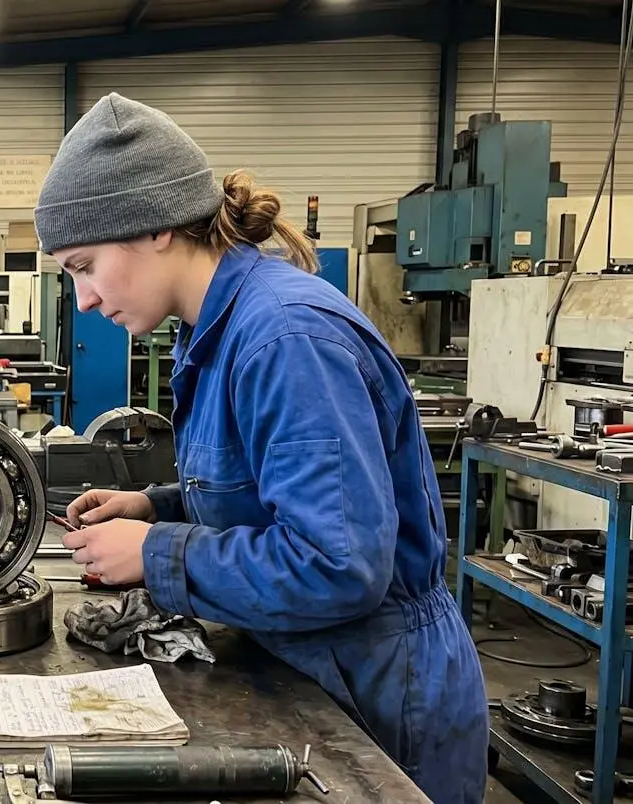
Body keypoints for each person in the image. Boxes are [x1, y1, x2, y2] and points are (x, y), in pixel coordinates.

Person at [38, 93, 486, 804]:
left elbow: (337, 564)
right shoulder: (217, 329)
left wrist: (156, 555)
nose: (84, 299)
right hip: (319, 664)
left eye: (84, 265)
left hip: (378, 697)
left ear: (155, 229)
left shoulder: (284, 338)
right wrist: (157, 507)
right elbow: (270, 485)